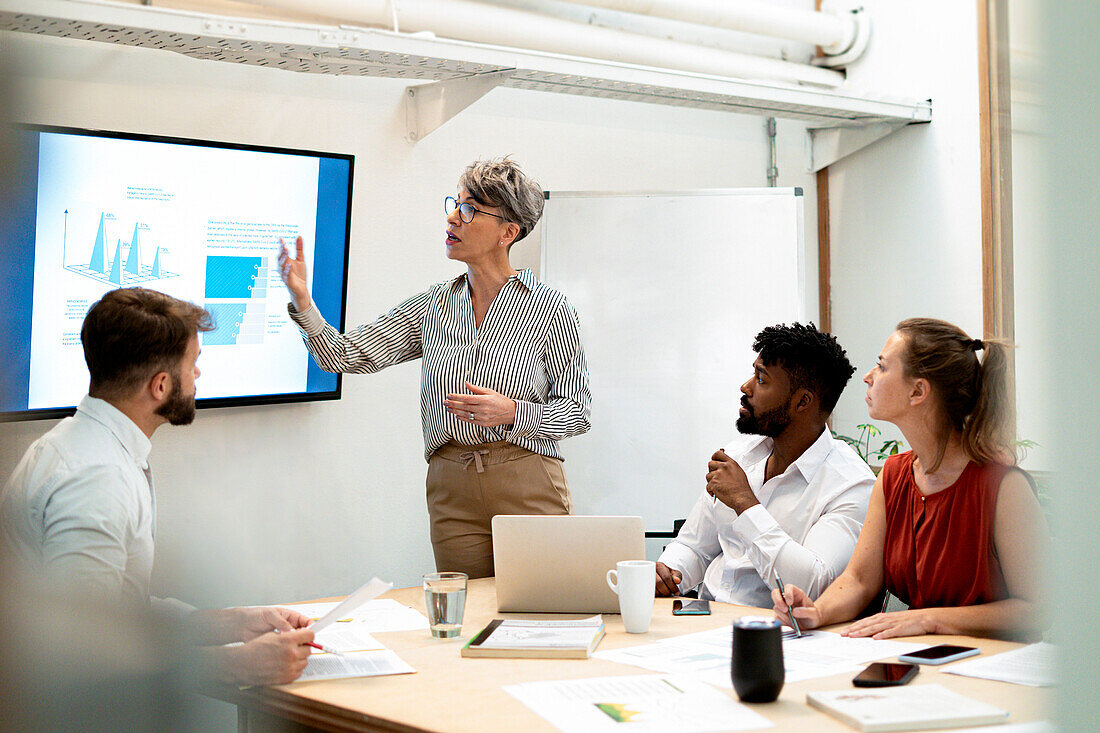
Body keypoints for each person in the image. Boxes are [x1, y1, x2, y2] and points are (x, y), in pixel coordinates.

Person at [278, 157, 591, 579]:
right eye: (455, 203)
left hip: (526, 479)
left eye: (469, 209)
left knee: (545, 610)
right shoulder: (433, 305)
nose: (452, 217)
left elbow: (579, 413)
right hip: (451, 488)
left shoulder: (550, 308)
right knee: (464, 623)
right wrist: (304, 303)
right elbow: (345, 354)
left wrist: (515, 413)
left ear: (507, 232)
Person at [0, 288, 315, 686]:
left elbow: (119, 611)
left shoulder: (88, 446)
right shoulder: (96, 482)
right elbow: (81, 656)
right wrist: (237, 665)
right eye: (193, 363)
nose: (197, 375)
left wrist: (231, 623)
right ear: (161, 385)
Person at [772, 318, 1049, 640]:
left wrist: (929, 620)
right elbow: (860, 580)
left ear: (918, 390)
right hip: (924, 657)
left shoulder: (1003, 486)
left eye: (882, 366)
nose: (868, 376)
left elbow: (1037, 609)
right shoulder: (893, 475)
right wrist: (815, 612)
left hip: (997, 668)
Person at [655, 323, 875, 609]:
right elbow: (694, 547)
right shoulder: (739, 455)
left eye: (761, 379)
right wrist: (669, 572)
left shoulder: (850, 485)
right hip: (703, 619)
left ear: (802, 402)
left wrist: (746, 504)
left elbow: (814, 587)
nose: (745, 386)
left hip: (778, 634)